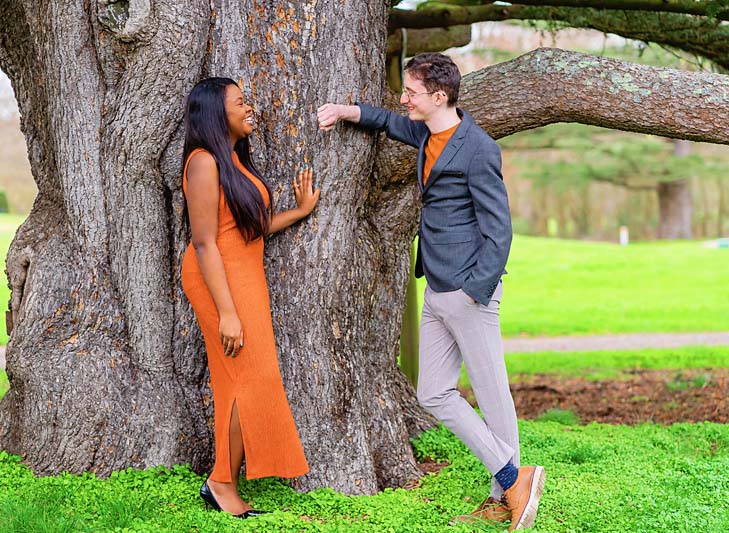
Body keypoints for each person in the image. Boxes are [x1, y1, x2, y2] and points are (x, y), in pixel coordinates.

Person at [317, 53, 544, 530]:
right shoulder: (426, 133)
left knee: (492, 395)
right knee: (433, 392)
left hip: (468, 290)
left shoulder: (478, 149)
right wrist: (344, 111)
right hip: (436, 285)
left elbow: (499, 230)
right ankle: (512, 477)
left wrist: (476, 290)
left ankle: (503, 494)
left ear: (439, 97)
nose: (404, 99)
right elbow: (387, 121)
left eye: (411, 92)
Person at [181, 77, 320, 518]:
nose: (249, 108)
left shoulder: (233, 161)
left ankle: (222, 480)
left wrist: (298, 212)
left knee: (244, 383)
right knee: (249, 380)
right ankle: (221, 482)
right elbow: (205, 243)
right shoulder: (203, 163)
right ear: (215, 113)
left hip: (245, 276)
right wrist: (227, 312)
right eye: (240, 102)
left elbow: (248, 229)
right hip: (217, 280)